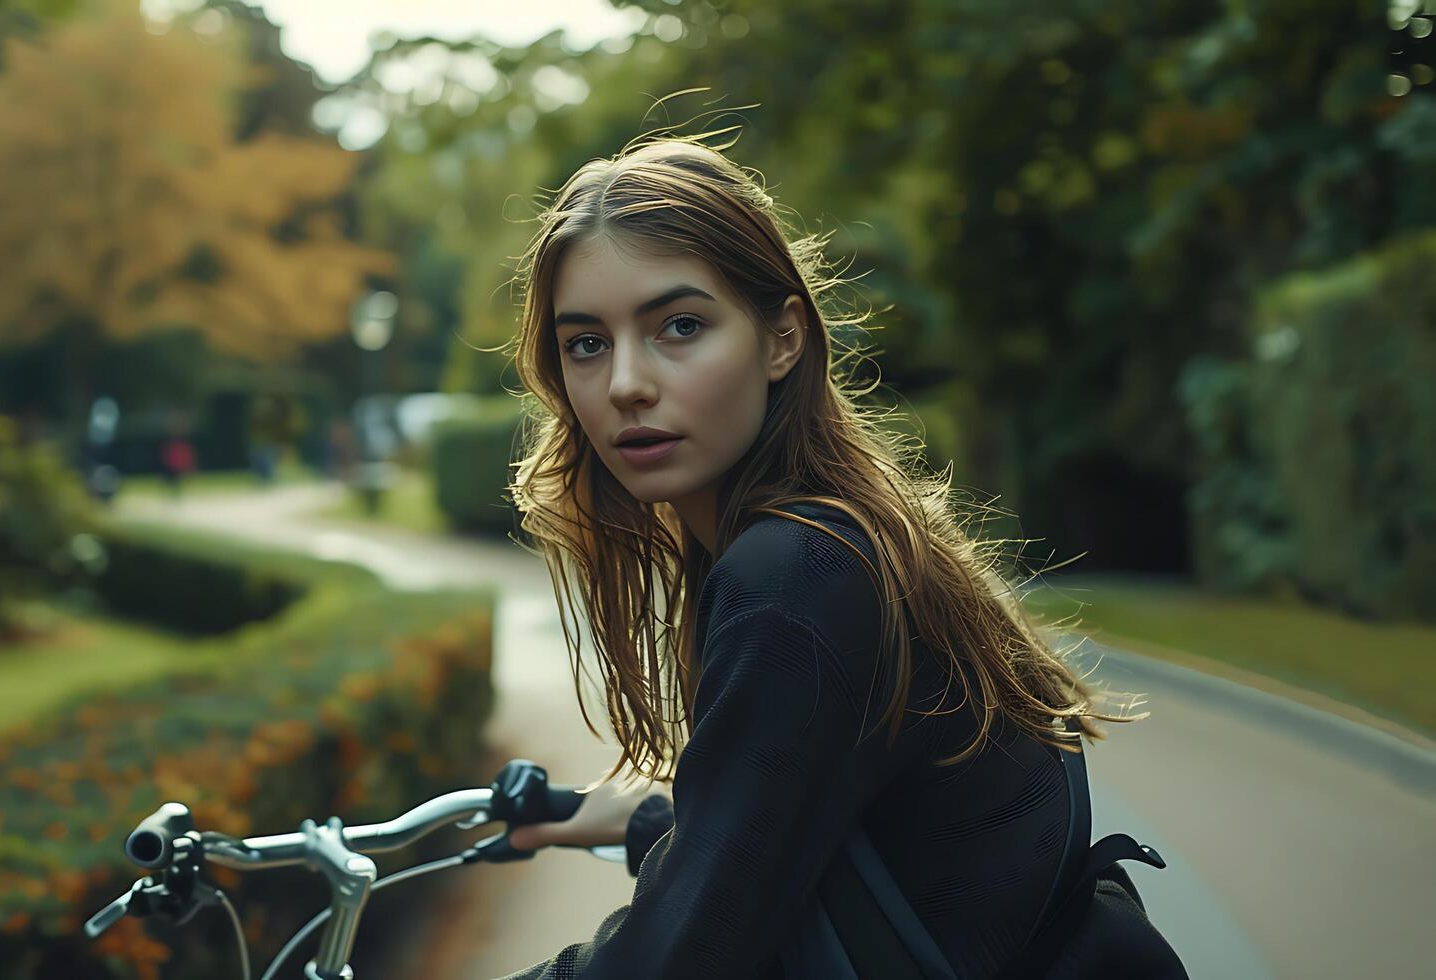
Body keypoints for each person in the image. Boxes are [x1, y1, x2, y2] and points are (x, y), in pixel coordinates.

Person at [496, 137, 1185, 979]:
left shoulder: (792, 573)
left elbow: (686, 954)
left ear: (781, 338)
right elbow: (828, 837)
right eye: (586, 344)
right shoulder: (836, 532)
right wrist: (646, 825)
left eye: (679, 326)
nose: (625, 383)